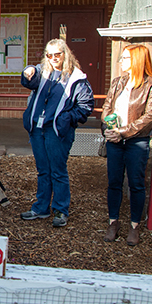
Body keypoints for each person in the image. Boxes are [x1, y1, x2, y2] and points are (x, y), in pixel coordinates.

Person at [20, 38, 94, 227]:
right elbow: (30, 79)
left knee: (58, 171)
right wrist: (28, 71)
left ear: (65, 54)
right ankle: (41, 208)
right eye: (49, 55)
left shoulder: (76, 78)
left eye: (57, 54)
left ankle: (61, 209)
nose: (53, 58)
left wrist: (65, 119)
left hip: (57, 130)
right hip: (38, 128)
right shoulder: (44, 72)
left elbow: (85, 106)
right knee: (43, 170)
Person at [101, 44, 152, 246]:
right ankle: (113, 222)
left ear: (137, 60)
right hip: (114, 141)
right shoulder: (118, 82)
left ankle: (135, 225)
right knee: (114, 182)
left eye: (125, 58)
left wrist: (123, 132)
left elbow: (149, 117)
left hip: (137, 141)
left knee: (136, 183)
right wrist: (108, 129)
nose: (122, 62)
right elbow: (107, 107)